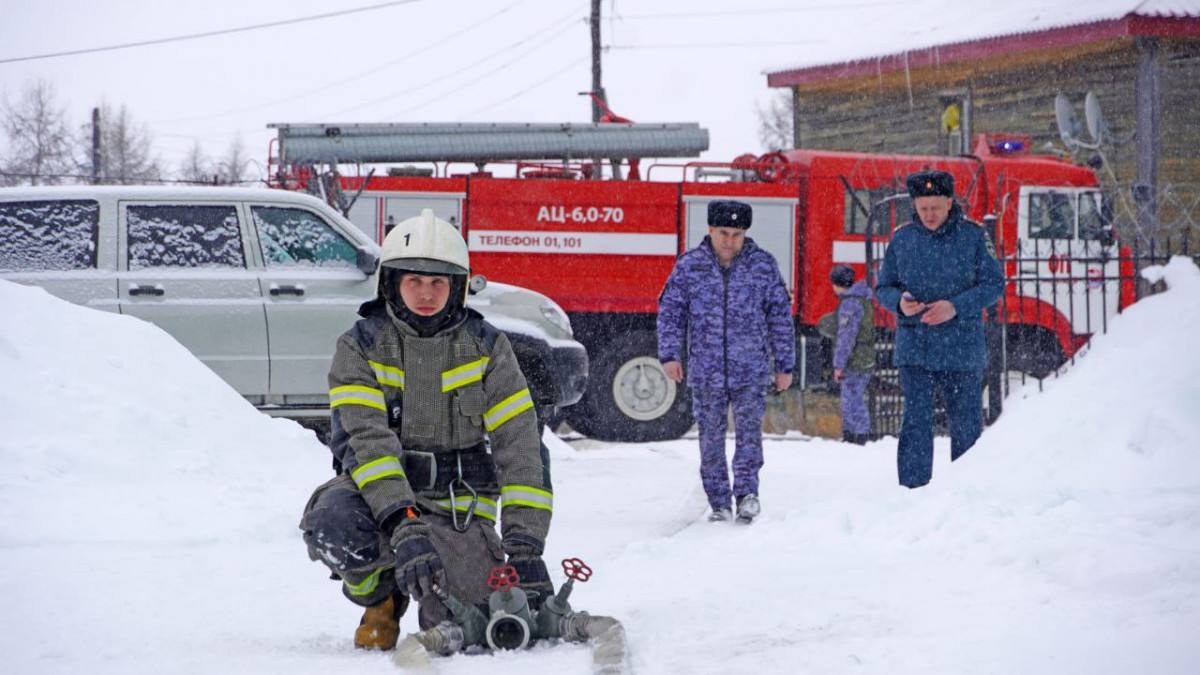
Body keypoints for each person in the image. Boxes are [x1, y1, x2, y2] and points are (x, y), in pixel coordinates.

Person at [300, 209, 554, 649]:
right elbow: (367, 444)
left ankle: (439, 575)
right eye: (414, 281)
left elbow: (521, 446)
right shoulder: (359, 347)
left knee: (477, 621)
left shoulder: (488, 348)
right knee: (332, 522)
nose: (426, 293)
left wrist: (526, 547)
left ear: (457, 287)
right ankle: (382, 598)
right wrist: (404, 524)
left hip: (460, 506)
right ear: (391, 283)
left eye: (438, 282)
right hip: (380, 501)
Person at [657, 199, 795, 523]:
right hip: (707, 369)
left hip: (751, 368)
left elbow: (779, 316)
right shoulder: (690, 266)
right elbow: (671, 312)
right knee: (710, 437)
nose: (730, 240)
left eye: (736, 233)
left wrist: (785, 365)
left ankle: (747, 494)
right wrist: (669, 354)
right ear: (710, 230)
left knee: (749, 434)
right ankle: (718, 499)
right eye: (724, 233)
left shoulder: (763, 265)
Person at [875, 171, 1004, 488]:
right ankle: (912, 491)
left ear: (949, 202)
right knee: (916, 424)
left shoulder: (973, 237)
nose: (929, 215)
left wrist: (955, 306)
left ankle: (967, 490)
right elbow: (883, 287)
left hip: (961, 349)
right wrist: (898, 303)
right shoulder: (902, 239)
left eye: (935, 207)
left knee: (966, 426)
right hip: (915, 348)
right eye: (923, 208)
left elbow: (994, 285)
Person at [829, 265, 875, 445]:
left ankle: (858, 436)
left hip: (855, 360)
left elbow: (846, 338)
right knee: (853, 396)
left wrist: (838, 364)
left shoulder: (850, 304)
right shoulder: (862, 299)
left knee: (851, 399)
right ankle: (854, 434)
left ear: (837, 284)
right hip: (864, 356)